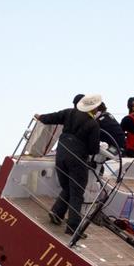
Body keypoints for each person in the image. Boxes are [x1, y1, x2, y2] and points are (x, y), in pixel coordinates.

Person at [34, 94, 102, 236]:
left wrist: (40, 117)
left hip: (61, 155)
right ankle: (73, 228)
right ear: (94, 108)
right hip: (77, 160)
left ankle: (57, 213)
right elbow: (94, 149)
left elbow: (52, 117)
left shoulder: (69, 112)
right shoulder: (93, 124)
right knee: (77, 193)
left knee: (67, 187)